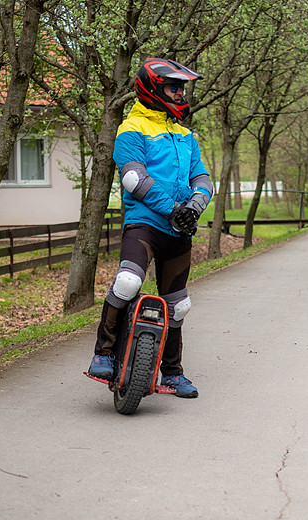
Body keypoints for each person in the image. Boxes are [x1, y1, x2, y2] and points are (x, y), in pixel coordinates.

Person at [88, 58, 214, 398]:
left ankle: (172, 373)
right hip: (145, 225)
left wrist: (195, 205)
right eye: (175, 86)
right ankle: (103, 353)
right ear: (153, 88)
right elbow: (133, 178)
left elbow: (202, 177)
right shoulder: (132, 128)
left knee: (179, 304)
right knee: (128, 282)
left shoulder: (185, 134)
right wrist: (172, 208)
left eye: (182, 87)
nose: (181, 92)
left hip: (179, 230)